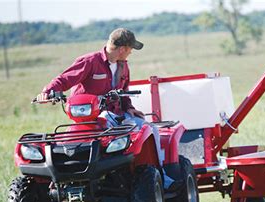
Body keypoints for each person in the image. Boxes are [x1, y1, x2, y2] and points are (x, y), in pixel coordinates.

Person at [37, 28, 170, 186]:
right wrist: (48, 92)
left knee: (149, 129)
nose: (131, 53)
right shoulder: (90, 61)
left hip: (117, 114)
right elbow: (65, 78)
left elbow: (124, 91)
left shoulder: (123, 66)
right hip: (92, 117)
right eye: (130, 49)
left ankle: (161, 176)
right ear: (122, 49)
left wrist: (128, 107)